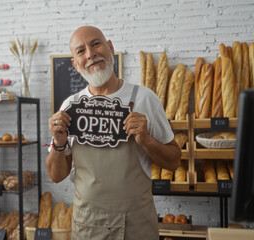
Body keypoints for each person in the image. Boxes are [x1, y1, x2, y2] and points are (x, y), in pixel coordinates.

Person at [46, 26, 181, 240]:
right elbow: (56, 175)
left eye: (96, 44)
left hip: (137, 225)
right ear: (75, 63)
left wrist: (146, 140)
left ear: (109, 47)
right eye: (80, 51)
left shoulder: (145, 98)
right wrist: (58, 142)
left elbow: (174, 161)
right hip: (88, 225)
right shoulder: (70, 107)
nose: (90, 54)